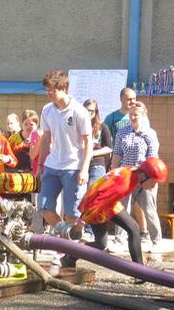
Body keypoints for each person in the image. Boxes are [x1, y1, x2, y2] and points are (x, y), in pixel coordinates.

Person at [71, 157, 168, 266]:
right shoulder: (125, 182)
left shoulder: (133, 173)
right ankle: (70, 254)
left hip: (110, 202)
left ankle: (139, 268)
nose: (153, 186)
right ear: (144, 176)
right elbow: (99, 201)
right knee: (101, 244)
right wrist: (81, 222)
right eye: (154, 182)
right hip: (95, 205)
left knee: (133, 228)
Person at [37, 70, 93, 250]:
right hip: (52, 165)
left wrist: (84, 169)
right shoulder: (47, 110)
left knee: (72, 214)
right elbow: (46, 139)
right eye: (47, 90)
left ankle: (69, 251)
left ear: (64, 89)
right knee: (44, 207)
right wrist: (40, 164)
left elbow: (88, 143)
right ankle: (65, 238)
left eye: (53, 90)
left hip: (73, 167)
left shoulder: (79, 111)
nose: (49, 94)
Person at [110, 104, 162, 246]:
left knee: (149, 210)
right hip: (126, 177)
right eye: (130, 115)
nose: (132, 117)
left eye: (136, 115)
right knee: (121, 209)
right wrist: (113, 173)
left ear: (143, 116)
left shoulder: (150, 133)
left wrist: (151, 179)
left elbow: (152, 158)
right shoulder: (122, 133)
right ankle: (119, 239)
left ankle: (156, 241)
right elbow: (117, 154)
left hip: (144, 177)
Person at [7, 109, 41, 174]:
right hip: (16, 173)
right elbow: (8, 155)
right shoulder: (13, 139)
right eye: (26, 124)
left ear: (36, 125)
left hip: (33, 172)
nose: (28, 127)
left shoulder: (39, 138)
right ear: (22, 124)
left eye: (31, 125)